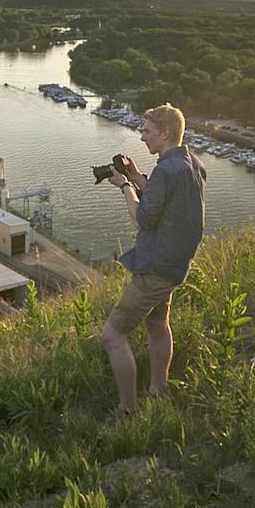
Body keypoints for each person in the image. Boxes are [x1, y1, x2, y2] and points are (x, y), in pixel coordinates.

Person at [100, 103, 207, 414]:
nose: (142, 136)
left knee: (113, 335)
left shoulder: (165, 170)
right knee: (158, 323)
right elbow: (167, 200)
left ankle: (127, 410)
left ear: (164, 133)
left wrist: (124, 188)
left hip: (155, 269)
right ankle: (158, 391)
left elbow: (144, 220)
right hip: (176, 265)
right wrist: (136, 176)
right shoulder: (191, 163)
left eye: (147, 131)